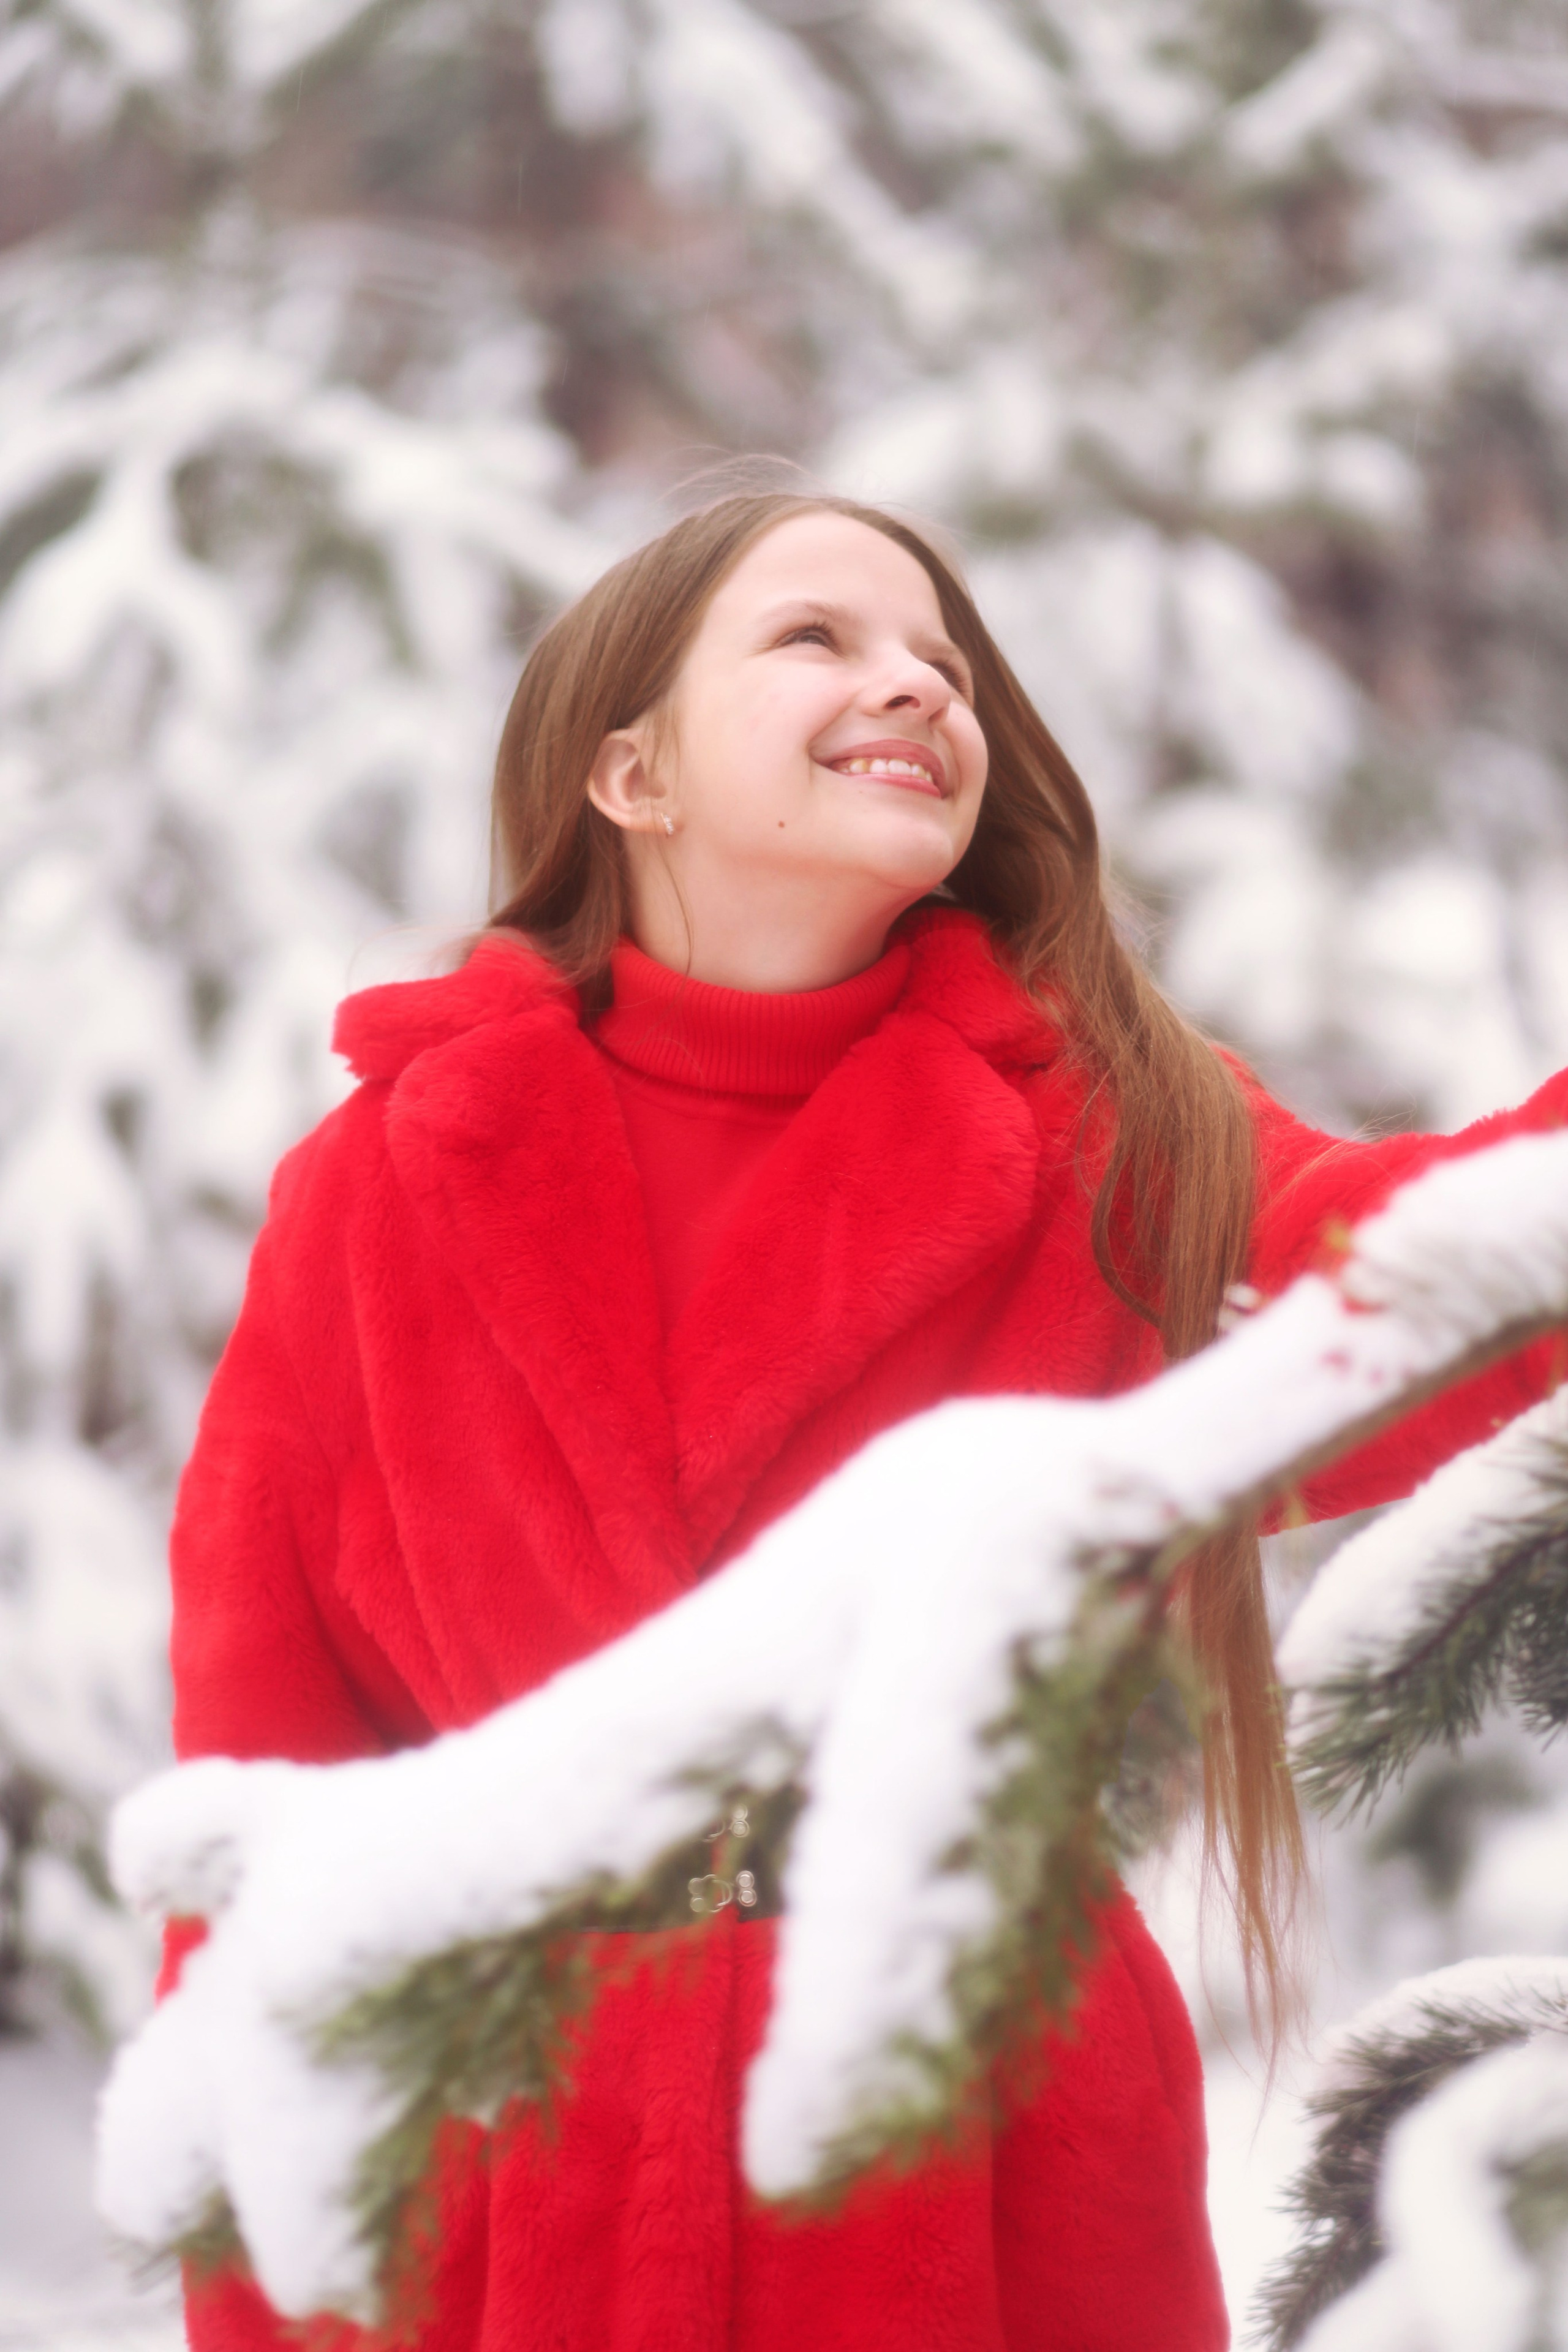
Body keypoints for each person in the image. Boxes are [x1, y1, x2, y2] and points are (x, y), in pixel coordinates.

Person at [164, 492, 1568, 2352]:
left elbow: (1442, 1287)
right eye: (818, 637)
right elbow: (263, 1817)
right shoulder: (378, 1189)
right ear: (630, 772)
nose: (917, 678)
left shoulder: (1100, 1130)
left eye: (943, 656)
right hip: (510, 2184)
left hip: (984, 2154)